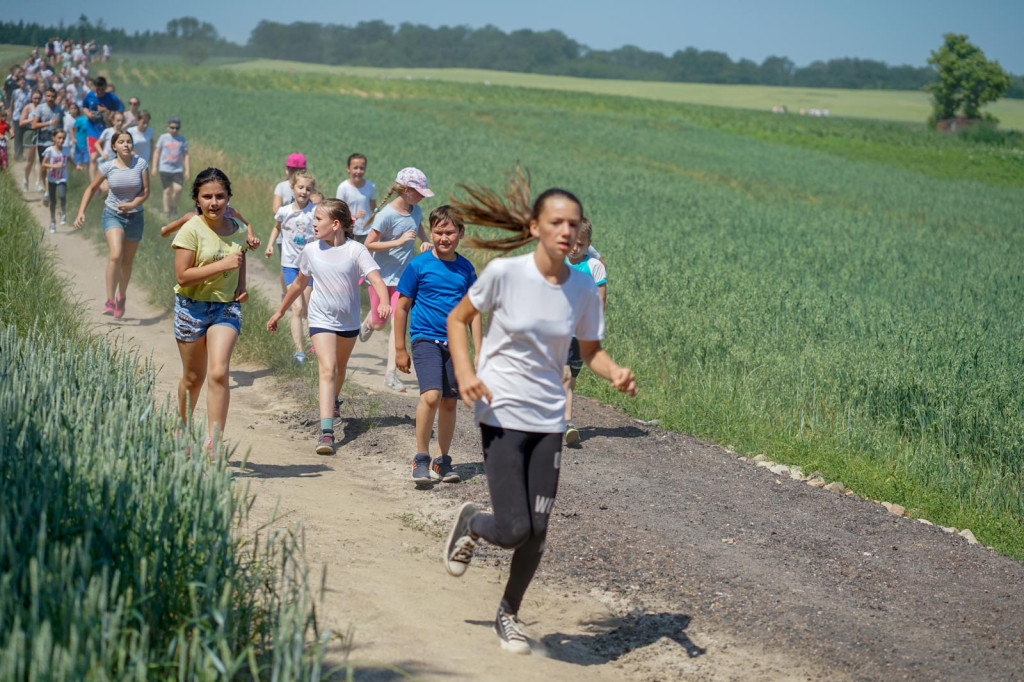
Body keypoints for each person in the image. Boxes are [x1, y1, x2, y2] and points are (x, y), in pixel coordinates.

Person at [441, 171, 636, 655]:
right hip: (500, 412)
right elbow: (459, 318)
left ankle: (508, 613)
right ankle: (472, 524)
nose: (567, 231)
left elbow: (590, 350)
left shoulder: (584, 288)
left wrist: (614, 372)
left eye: (573, 224)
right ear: (535, 228)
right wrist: (465, 373)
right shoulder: (506, 274)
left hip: (548, 418)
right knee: (513, 528)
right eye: (557, 222)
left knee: (539, 529)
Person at [267, 198, 391, 455]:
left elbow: (375, 279)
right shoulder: (311, 250)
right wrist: (279, 312)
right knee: (328, 368)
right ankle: (326, 432)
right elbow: (298, 285)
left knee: (340, 369)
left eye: (318, 220)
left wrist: (384, 302)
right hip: (320, 319)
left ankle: (333, 400)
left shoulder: (355, 250)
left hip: (348, 321)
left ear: (335, 224)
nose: (313, 224)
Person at [394, 205, 482, 487]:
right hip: (424, 339)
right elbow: (402, 306)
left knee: (448, 401)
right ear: (431, 233)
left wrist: (479, 351)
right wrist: (400, 347)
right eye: (439, 232)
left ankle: (442, 461)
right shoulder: (419, 265)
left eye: (450, 232)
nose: (444, 238)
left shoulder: (466, 268)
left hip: (454, 344)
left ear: (461, 233)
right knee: (431, 395)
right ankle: (421, 457)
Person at [171, 168, 248, 451]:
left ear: (228, 198)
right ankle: (182, 429)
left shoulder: (237, 231)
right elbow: (182, 276)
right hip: (192, 308)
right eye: (207, 197)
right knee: (193, 378)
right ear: (197, 199)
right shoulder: (191, 230)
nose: (214, 202)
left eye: (220, 196)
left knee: (218, 372)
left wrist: (241, 285)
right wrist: (222, 266)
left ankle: (213, 442)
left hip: (226, 309)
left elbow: (240, 258)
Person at [360, 167, 433, 392]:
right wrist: (398, 242)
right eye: (418, 191)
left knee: (397, 324)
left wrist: (425, 241)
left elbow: (418, 226)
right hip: (380, 278)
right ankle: (369, 322)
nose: (421, 196)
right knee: (381, 323)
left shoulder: (417, 210)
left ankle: (390, 373)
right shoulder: (386, 215)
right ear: (405, 190)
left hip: (403, 277)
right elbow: (368, 245)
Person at [73, 129, 149, 318]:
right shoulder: (108, 167)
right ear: (114, 146)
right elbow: (91, 188)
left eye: (129, 141)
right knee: (116, 255)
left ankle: (121, 296)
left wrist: (133, 204)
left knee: (126, 262)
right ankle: (109, 300)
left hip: (135, 217)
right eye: (121, 142)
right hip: (112, 215)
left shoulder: (140, 164)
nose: (126, 144)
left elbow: (146, 191)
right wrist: (81, 212)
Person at [561, 217, 607, 445]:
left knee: (572, 377)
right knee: (565, 375)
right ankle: (567, 423)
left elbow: (600, 301)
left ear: (589, 243)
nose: (575, 249)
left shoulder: (595, 267)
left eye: (580, 244)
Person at [264, 170, 317, 365]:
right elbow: (277, 227)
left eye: (308, 189)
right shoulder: (284, 211)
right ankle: (299, 352)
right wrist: (270, 244)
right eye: (300, 187)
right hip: (289, 266)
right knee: (297, 308)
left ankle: (314, 345)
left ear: (312, 191)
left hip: (309, 268)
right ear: (292, 188)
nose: (304, 191)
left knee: (308, 310)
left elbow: (322, 232)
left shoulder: (315, 212)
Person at [271, 153, 307, 295]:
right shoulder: (281, 187)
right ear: (287, 170)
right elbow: (276, 209)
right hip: (285, 233)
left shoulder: (306, 186)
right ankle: (286, 293)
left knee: (302, 265)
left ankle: (301, 293)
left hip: (303, 233)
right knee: (286, 265)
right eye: (293, 170)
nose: (295, 173)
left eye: (299, 170)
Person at [152, 116, 189, 218]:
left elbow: (186, 155)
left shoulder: (182, 139)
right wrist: (154, 167)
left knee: (178, 189)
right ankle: (167, 212)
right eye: (172, 127)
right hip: (164, 168)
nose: (174, 130)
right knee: (167, 190)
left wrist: (187, 170)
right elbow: (157, 152)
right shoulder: (163, 138)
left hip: (177, 169)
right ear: (168, 127)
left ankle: (174, 206)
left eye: (177, 128)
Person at [335, 153, 376, 243]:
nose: (358, 171)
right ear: (348, 169)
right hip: (350, 231)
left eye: (362, 168)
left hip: (367, 230)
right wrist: (353, 216)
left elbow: (374, 208)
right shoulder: (343, 188)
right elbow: (338, 211)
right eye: (355, 168)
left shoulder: (371, 186)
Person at [31, 87, 62, 199]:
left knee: (55, 166)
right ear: (45, 96)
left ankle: (51, 190)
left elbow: (62, 125)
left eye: (52, 96)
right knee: (45, 167)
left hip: (55, 143)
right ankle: (46, 187)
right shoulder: (40, 108)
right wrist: (48, 123)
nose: (50, 99)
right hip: (43, 142)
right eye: (48, 96)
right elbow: (34, 125)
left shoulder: (59, 109)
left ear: (55, 97)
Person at [40, 129, 69, 232]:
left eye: (63, 138)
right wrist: (54, 165)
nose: (61, 140)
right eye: (59, 138)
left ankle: (63, 212)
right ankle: (52, 221)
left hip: (62, 177)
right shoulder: (50, 150)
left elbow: (69, 158)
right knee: (53, 201)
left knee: (62, 196)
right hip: (52, 178)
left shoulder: (66, 150)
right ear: (54, 138)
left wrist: (77, 165)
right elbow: (43, 164)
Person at [18, 90, 41, 191]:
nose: (37, 100)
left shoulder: (42, 107)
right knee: (29, 161)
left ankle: (38, 182)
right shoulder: (28, 107)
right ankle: (25, 180)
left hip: (40, 133)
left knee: (39, 159)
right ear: (31, 98)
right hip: (30, 133)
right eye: (35, 98)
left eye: (38, 98)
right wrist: (32, 120)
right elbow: (21, 122)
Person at [0, 106, 12, 170]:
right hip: (1, 140)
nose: (4, 118)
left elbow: (11, 132)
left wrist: (11, 135)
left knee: (3, 155)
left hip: (2, 142)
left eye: (5, 116)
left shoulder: (6, 124)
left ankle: (3, 168)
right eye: (2, 116)